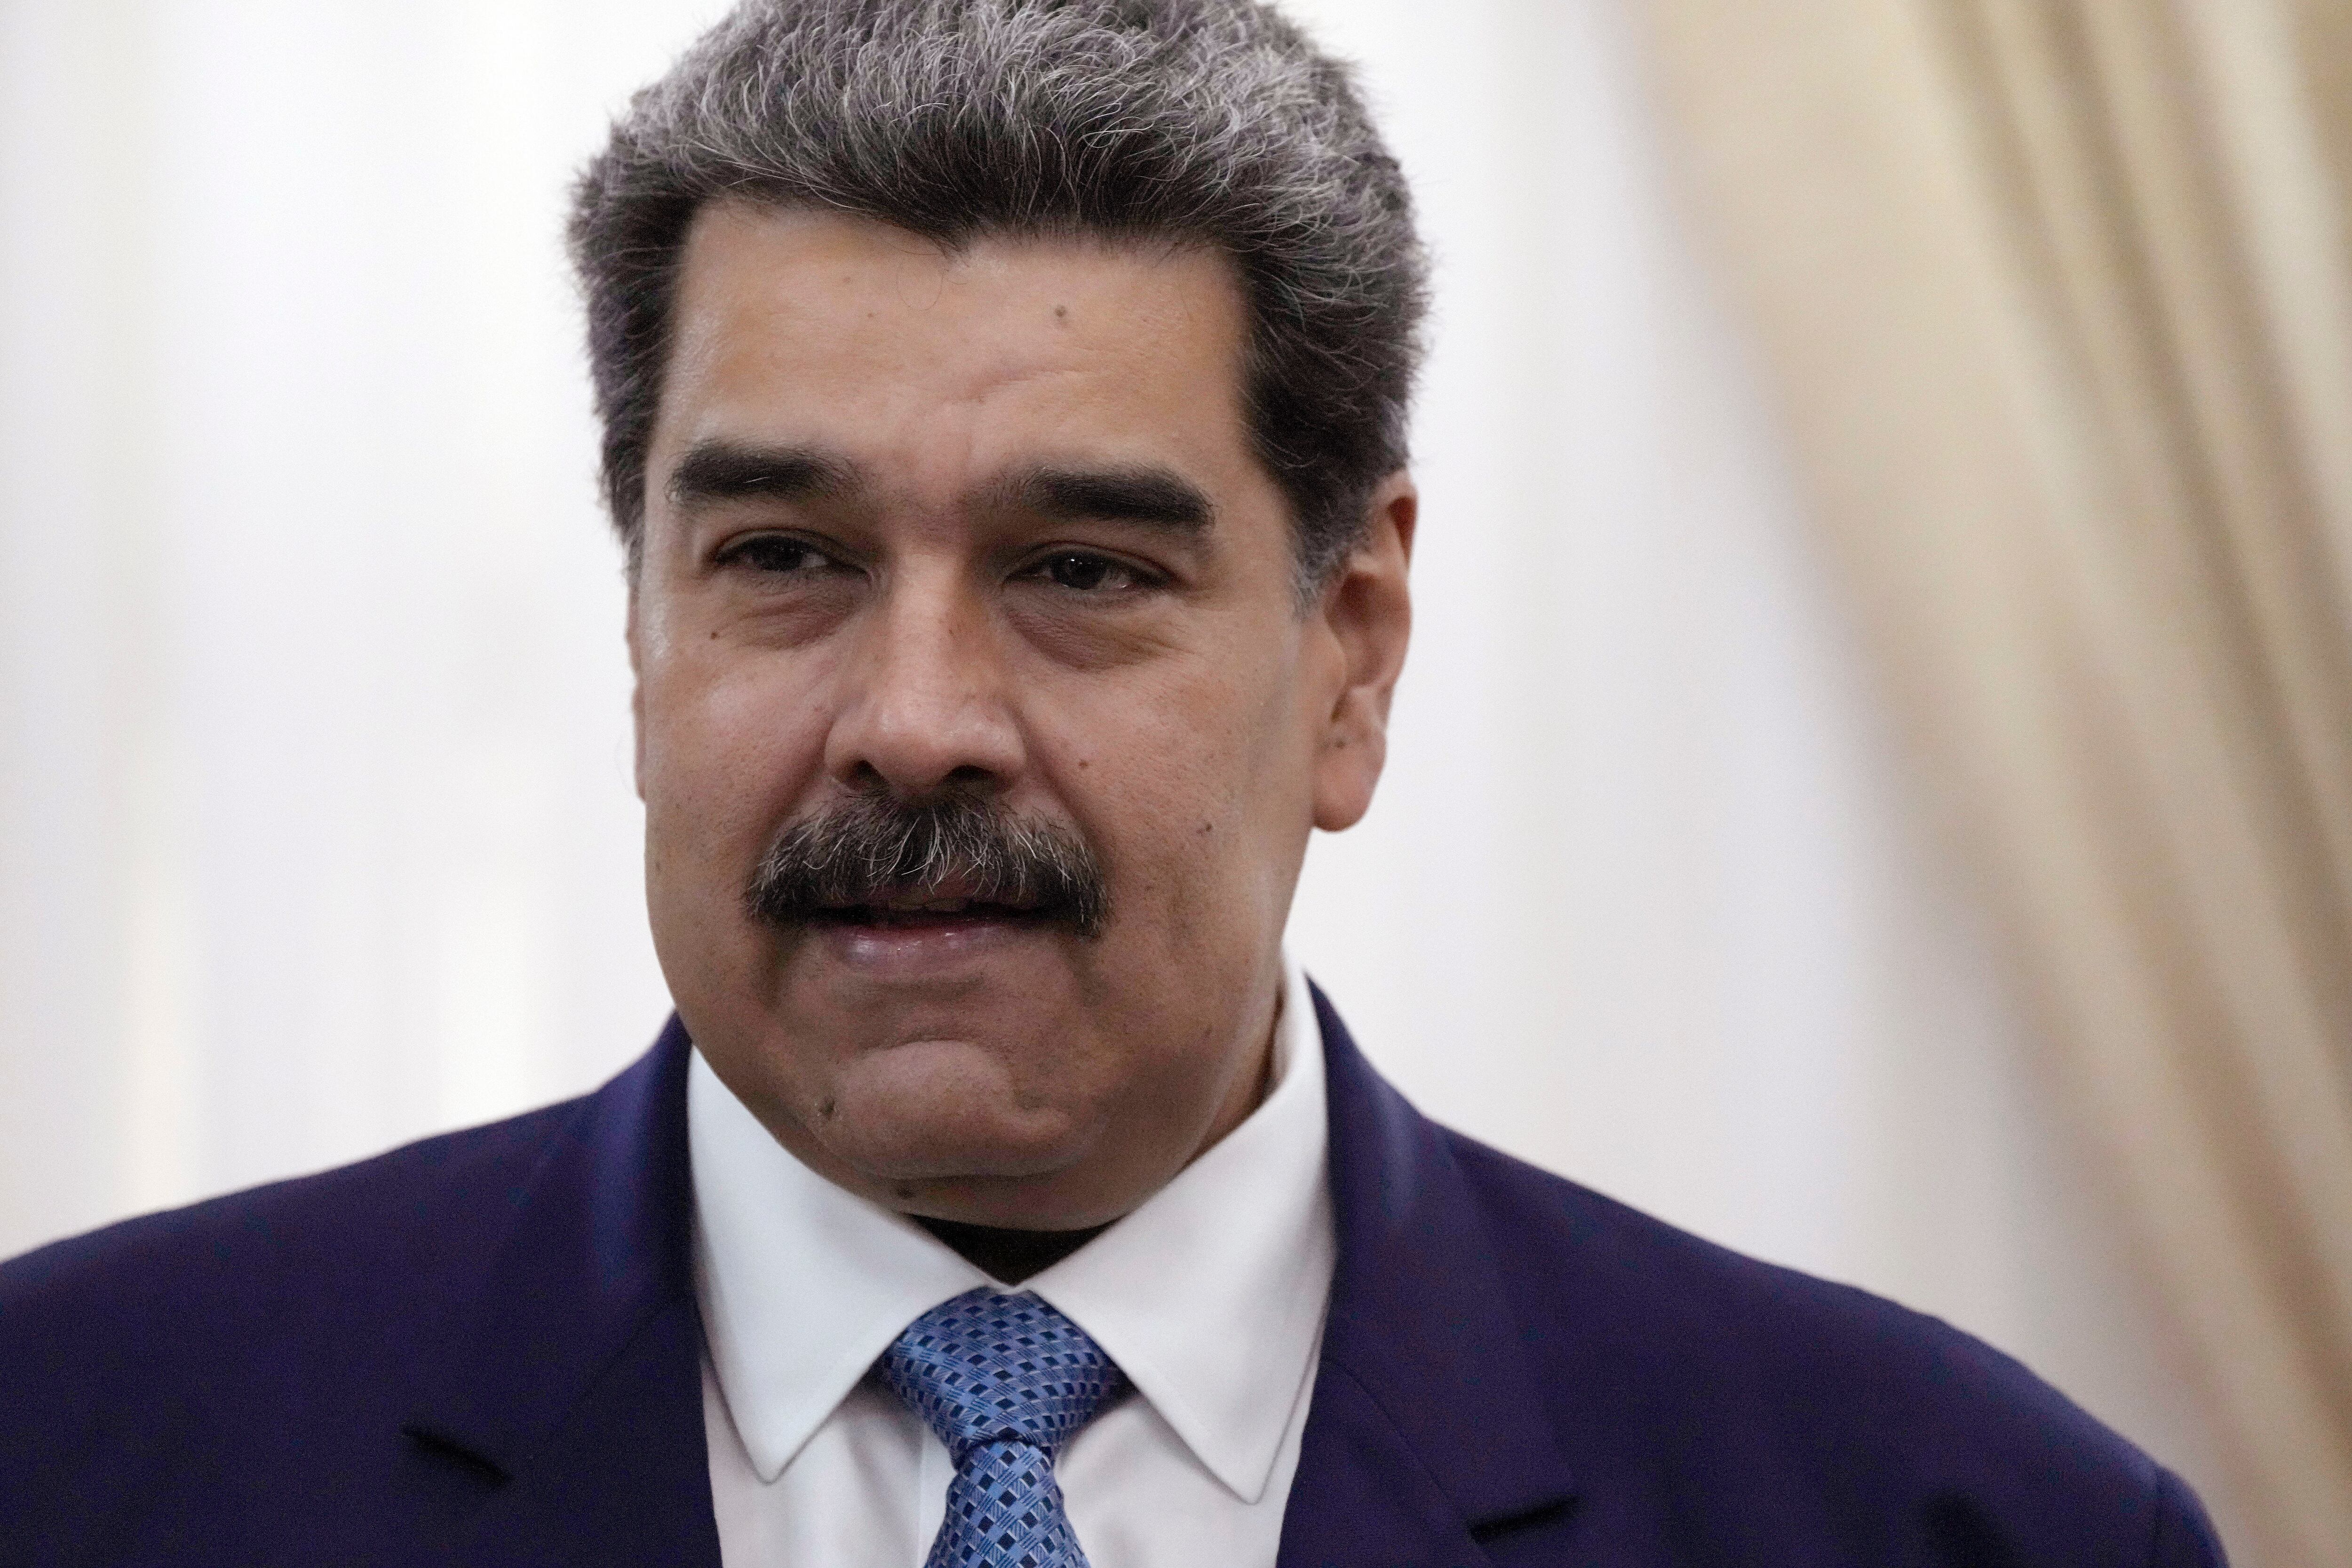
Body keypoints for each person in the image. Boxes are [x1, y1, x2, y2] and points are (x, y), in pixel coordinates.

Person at [0, 3, 2228, 1564]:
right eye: (782, 561)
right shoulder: (73, 1456)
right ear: (637, 618)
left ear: (1346, 653)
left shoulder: (1942, 1526)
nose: (914, 715)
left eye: (1078, 570)